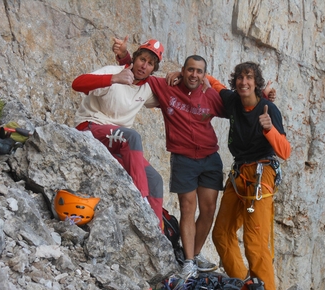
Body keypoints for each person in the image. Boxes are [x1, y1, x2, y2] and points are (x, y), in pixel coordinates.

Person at [113, 36, 226, 277]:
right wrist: (123, 55)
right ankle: (188, 261)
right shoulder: (166, 87)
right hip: (184, 158)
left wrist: (265, 99)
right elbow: (137, 73)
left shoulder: (211, 95)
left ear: (205, 75)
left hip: (210, 158)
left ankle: (194, 256)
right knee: (188, 208)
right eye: (190, 70)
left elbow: (237, 106)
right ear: (182, 71)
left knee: (208, 210)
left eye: (199, 72)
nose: (194, 75)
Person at [206, 62, 291, 290]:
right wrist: (180, 74)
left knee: (255, 246)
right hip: (240, 170)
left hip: (262, 172)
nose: (244, 82)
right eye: (240, 77)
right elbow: (212, 82)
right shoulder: (232, 101)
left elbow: (285, 151)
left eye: (249, 78)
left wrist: (269, 130)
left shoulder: (268, 108)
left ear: (257, 82)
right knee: (221, 234)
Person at [72, 39, 165, 231]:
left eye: (150, 64)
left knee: (155, 179)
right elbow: (77, 83)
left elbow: (170, 96)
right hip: (90, 126)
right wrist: (113, 79)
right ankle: (141, 202)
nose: (144, 65)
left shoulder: (146, 88)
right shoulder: (113, 72)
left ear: (153, 69)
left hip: (116, 140)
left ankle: (156, 229)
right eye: (142, 59)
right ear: (135, 58)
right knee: (131, 136)